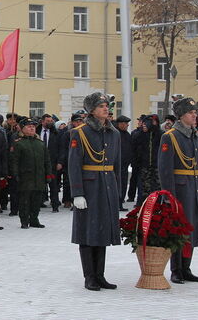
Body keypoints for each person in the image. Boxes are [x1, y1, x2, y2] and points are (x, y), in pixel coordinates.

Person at [69, 93, 121, 291]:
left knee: (103, 231)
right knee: (88, 232)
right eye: (101, 106)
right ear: (91, 110)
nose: (106, 109)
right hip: (89, 188)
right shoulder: (80, 133)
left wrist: (118, 190)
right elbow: (74, 164)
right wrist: (77, 193)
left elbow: (117, 165)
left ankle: (100, 275)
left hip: (107, 185)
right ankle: (89, 276)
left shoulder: (113, 133)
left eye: (107, 106)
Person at [158, 98, 198, 284]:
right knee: (179, 229)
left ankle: (186, 267)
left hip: (195, 187)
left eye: (195, 112)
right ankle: (176, 269)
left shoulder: (197, 136)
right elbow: (165, 169)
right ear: (181, 116)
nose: (195, 116)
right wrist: (169, 195)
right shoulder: (170, 136)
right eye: (190, 113)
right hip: (180, 188)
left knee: (193, 228)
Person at [10, 118, 52, 229]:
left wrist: (48, 174)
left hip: (39, 177)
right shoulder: (19, 143)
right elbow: (14, 161)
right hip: (25, 177)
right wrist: (15, 175)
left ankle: (34, 219)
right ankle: (24, 220)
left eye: (33, 126)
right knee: (24, 201)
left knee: (36, 201)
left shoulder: (40, 143)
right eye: (29, 126)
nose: (32, 128)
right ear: (22, 129)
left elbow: (47, 160)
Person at [38, 114, 61, 212]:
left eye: (51, 121)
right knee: (39, 185)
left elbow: (61, 149)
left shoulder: (56, 134)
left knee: (54, 185)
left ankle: (55, 205)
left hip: (52, 163)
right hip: (38, 163)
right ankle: (38, 204)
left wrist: (60, 162)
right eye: (47, 121)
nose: (50, 122)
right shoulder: (36, 132)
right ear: (42, 122)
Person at [114, 115, 132, 211]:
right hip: (116, 166)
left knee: (123, 185)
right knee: (117, 185)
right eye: (125, 123)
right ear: (120, 124)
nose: (127, 125)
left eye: (127, 124)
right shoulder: (115, 134)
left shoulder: (127, 135)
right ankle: (115, 204)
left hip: (125, 165)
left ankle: (120, 203)